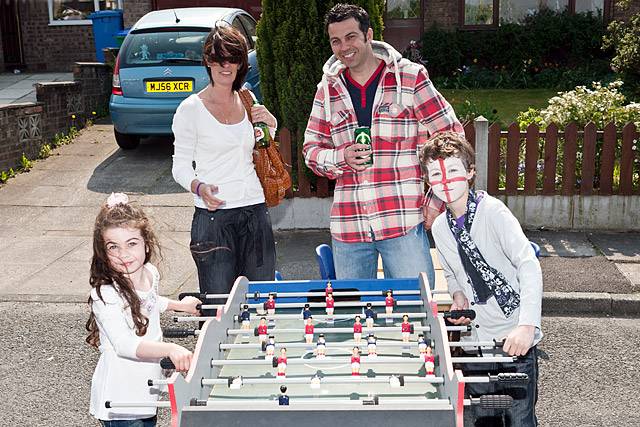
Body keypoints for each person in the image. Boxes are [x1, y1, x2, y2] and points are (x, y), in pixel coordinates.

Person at [303, 3, 463, 285]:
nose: (344, 47)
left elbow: (451, 137)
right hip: (349, 228)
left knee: (414, 312)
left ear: (368, 35)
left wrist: (436, 199)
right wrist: (341, 158)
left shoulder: (410, 78)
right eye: (335, 41)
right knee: (353, 317)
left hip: (401, 222)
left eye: (351, 36)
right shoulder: (326, 89)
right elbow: (311, 150)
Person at [420, 131, 542, 427]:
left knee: (519, 420)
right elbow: (452, 272)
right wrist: (458, 293)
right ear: (427, 180)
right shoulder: (440, 229)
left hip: (514, 340)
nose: (445, 181)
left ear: (470, 172)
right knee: (479, 419)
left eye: (452, 171)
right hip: (477, 343)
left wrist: (526, 327)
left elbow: (528, 265)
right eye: (436, 173)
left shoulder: (493, 212)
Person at [171, 24, 277, 314]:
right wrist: (199, 187)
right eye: (218, 59)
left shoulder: (247, 99)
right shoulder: (190, 108)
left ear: (242, 62)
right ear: (207, 60)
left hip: (254, 209)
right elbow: (179, 166)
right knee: (218, 308)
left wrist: (271, 124)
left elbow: (261, 143)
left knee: (260, 303)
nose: (225, 65)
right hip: (213, 219)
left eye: (232, 58)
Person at [86, 193, 201, 426]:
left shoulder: (150, 273)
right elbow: (125, 345)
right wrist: (170, 348)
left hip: (145, 391)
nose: (123, 254)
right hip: (120, 400)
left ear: (146, 243)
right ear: (103, 252)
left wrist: (180, 306)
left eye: (131, 243)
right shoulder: (105, 294)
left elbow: (148, 301)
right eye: (113, 247)